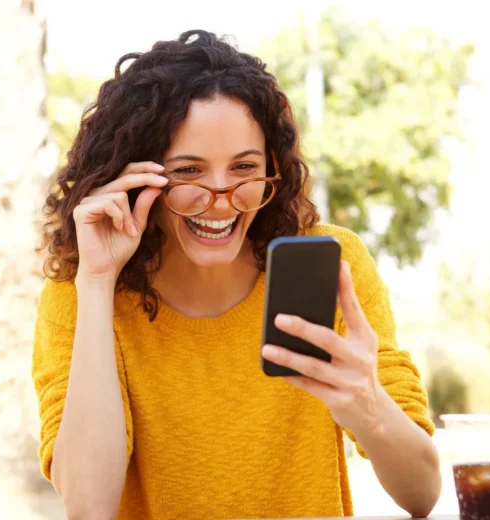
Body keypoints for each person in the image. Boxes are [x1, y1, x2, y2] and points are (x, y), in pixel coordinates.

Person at [32, 29, 441, 520]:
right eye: (188, 172)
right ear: (135, 177)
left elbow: (422, 493)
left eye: (244, 167)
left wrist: (368, 402)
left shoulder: (333, 262)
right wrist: (97, 282)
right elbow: (88, 507)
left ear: (273, 165)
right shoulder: (83, 288)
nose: (222, 196)